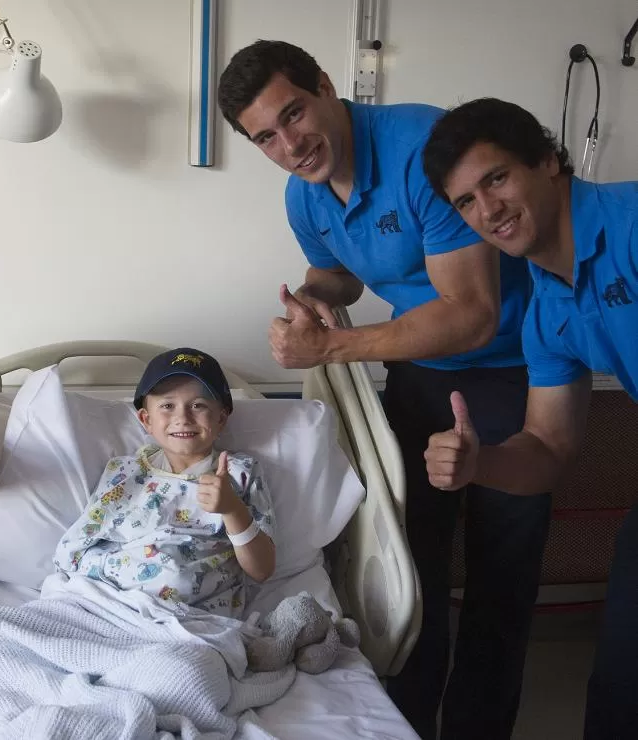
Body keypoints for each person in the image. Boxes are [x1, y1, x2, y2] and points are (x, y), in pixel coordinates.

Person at [218, 40, 547, 740]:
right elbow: (339, 275)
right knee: (412, 571)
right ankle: (407, 722)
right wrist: (310, 300)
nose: (291, 144)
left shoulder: (422, 151)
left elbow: (471, 312)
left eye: (295, 114)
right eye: (266, 138)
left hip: (510, 369)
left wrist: (334, 345)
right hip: (419, 372)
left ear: (328, 86)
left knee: (499, 576)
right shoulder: (304, 193)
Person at [422, 97, 638, 740]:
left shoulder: (630, 224)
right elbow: (548, 445)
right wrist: (480, 462)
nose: (487, 210)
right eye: (464, 201)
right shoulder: (546, 312)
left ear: (547, 161)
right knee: (620, 692)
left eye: (496, 178)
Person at [54, 348, 276, 617]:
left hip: (192, 621)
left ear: (221, 418)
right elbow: (77, 545)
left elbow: (261, 570)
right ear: (146, 420)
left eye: (199, 405)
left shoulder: (240, 474)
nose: (183, 417)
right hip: (111, 606)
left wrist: (232, 510)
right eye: (167, 406)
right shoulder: (124, 472)